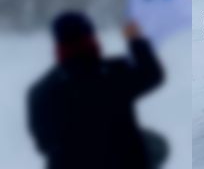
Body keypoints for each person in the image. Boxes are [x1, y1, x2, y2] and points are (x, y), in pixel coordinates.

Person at [28, 12, 167, 169]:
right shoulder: (114, 73)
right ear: (91, 39)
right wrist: (135, 39)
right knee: (154, 145)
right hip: (123, 162)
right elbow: (152, 74)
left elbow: (44, 144)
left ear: (58, 45)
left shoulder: (40, 91)